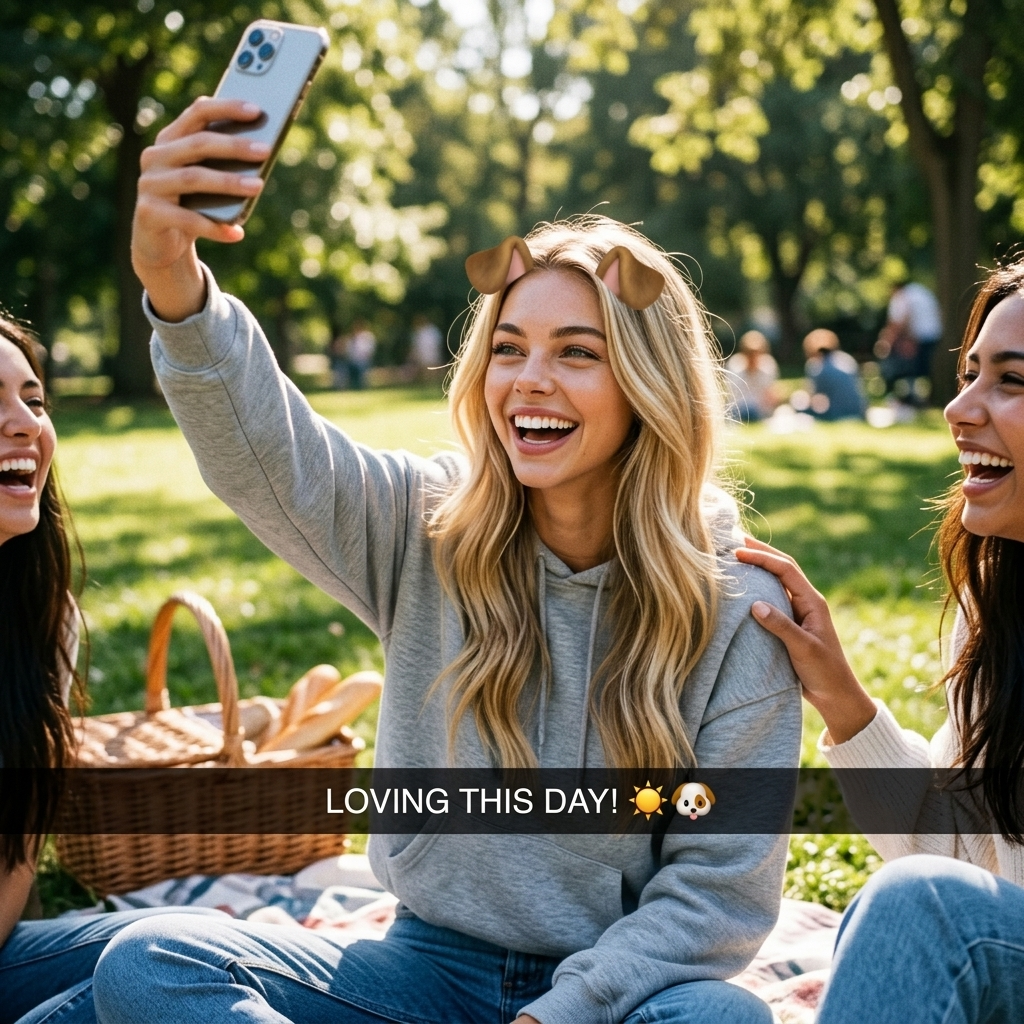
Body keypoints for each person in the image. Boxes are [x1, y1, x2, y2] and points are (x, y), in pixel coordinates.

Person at [94, 95, 802, 1024]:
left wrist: (567, 1010)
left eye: (576, 352)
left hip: (614, 995)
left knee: (725, 1020)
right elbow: (271, 456)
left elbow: (717, 895)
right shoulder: (426, 524)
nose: (528, 379)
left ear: (648, 387)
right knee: (152, 962)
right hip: (419, 970)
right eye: (508, 348)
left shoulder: (737, 606)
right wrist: (170, 277)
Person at [735, 258, 1024, 1023]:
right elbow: (956, 856)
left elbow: (946, 903)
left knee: (918, 907)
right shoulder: (997, 608)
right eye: (968, 374)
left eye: (1012, 381)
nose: (959, 408)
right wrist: (838, 693)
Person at [0, 316, 216, 1024]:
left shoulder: (40, 614)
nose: (24, 424)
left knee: (178, 954)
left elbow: (14, 859)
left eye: (33, 401)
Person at [877, 277, 942, 401]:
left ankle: (913, 398)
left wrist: (887, 342)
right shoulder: (920, 291)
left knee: (912, 370)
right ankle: (926, 397)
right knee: (925, 369)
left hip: (917, 337)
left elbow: (900, 320)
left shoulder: (901, 296)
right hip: (933, 334)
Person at [802, 329, 865, 421]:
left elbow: (814, 397)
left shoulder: (816, 367)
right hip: (859, 411)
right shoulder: (847, 359)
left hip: (837, 414)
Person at [725, 330, 779, 422]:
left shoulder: (768, 366)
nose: (753, 358)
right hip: (740, 408)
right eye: (750, 354)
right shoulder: (735, 366)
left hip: (761, 409)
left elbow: (770, 393)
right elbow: (733, 395)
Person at [408, 313, 444, 378]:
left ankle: (432, 381)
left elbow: (437, 344)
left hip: (431, 353)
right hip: (422, 354)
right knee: (424, 371)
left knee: (432, 370)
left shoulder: (432, 330)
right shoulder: (418, 332)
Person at [345, 319, 375, 390]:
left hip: (363, 360)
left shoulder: (367, 337)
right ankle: (353, 387)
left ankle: (362, 387)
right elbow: (349, 350)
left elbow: (370, 349)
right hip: (352, 360)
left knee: (362, 372)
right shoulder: (352, 337)